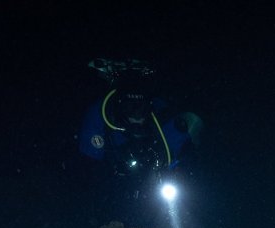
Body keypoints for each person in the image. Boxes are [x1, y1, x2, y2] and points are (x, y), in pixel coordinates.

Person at [78, 58, 203, 186]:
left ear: (149, 106)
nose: (137, 116)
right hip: (114, 184)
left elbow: (183, 150)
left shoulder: (160, 114)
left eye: (141, 108)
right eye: (130, 107)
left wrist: (177, 169)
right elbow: (89, 165)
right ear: (120, 107)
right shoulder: (101, 113)